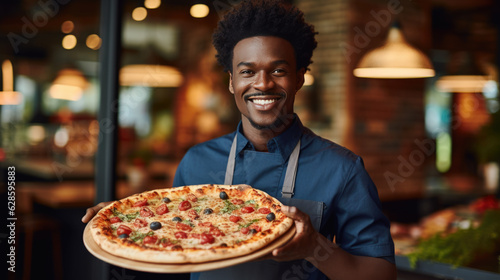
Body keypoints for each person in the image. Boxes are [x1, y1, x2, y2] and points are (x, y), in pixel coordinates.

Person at [82, 1, 396, 279]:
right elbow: (174, 241)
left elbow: (381, 273)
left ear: (299, 77)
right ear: (232, 82)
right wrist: (131, 218)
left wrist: (314, 247)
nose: (263, 83)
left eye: (279, 69)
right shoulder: (197, 161)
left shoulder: (343, 169)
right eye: (247, 71)